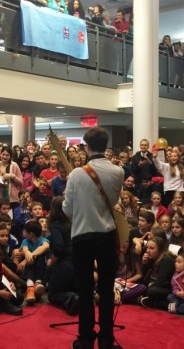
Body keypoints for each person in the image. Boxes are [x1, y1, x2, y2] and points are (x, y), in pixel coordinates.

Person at [62, 127, 124, 349]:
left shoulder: (77, 174)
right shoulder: (118, 171)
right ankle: (106, 340)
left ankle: (85, 339)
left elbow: (67, 209)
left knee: (85, 291)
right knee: (106, 290)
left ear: (86, 147)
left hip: (82, 236)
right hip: (107, 235)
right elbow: (114, 201)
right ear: (106, 145)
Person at [17, 219, 49, 305]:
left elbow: (45, 247)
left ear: (31, 234)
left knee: (40, 256)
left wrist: (32, 255)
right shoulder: (25, 241)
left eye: (25, 231)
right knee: (30, 258)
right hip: (29, 267)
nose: (24, 233)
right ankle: (30, 287)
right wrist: (28, 254)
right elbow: (25, 249)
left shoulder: (44, 240)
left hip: (41, 269)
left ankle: (37, 284)